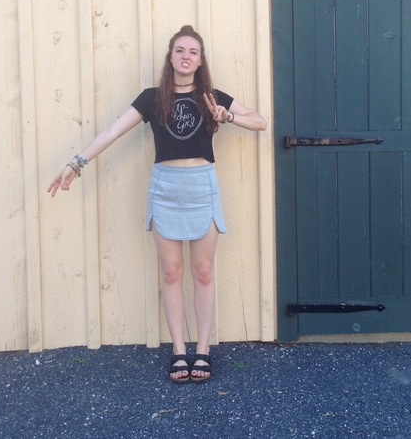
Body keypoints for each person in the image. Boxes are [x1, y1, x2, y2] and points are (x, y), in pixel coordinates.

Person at [48, 25, 267, 383]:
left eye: (193, 51)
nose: (186, 56)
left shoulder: (212, 97)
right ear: (171, 57)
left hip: (202, 187)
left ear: (200, 60)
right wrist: (76, 164)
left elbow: (259, 121)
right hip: (165, 189)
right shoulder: (152, 98)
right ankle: (179, 351)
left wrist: (227, 117)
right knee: (171, 272)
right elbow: (113, 131)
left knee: (203, 272)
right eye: (180, 50)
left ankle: (203, 351)